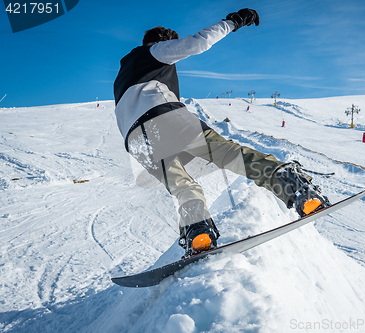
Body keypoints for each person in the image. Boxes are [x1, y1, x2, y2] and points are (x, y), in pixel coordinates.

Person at [113, 8, 330, 258]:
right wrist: (233, 22)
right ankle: (295, 188)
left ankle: (198, 232)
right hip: (164, 118)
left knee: (180, 185)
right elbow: (197, 43)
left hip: (137, 141)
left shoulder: (123, 73)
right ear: (163, 41)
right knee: (228, 154)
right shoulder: (155, 51)